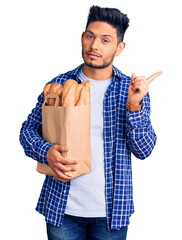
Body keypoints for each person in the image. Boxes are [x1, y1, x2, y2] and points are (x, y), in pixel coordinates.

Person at [19, 5, 162, 240]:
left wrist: (134, 106)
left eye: (105, 40)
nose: (94, 46)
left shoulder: (132, 89)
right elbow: (27, 131)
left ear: (119, 47)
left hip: (111, 213)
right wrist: (46, 152)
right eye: (90, 36)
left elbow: (144, 150)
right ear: (82, 38)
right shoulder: (59, 84)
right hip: (62, 209)